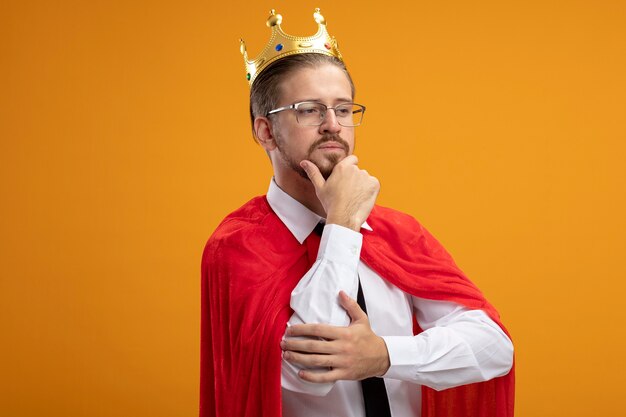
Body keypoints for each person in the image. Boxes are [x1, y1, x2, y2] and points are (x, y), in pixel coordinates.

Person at [200, 8, 514, 417]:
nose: (332, 124)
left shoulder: (398, 232)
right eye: (309, 110)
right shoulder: (237, 246)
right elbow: (304, 370)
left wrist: (385, 355)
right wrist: (342, 224)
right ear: (265, 131)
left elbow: (494, 347)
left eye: (344, 109)